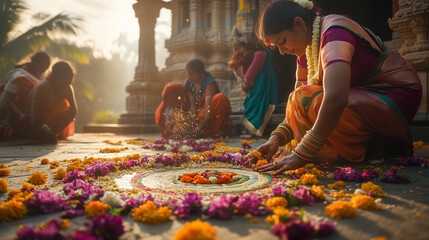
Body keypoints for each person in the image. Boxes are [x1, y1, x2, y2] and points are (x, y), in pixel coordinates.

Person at [254, 0, 422, 174]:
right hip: (362, 98)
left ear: (299, 23)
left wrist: (302, 153)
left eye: (282, 41)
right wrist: (276, 137)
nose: (282, 51)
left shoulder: (334, 32)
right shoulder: (306, 49)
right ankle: (361, 147)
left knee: (306, 97)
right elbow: (296, 105)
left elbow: (335, 97)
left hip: (395, 95)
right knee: (299, 98)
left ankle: (370, 147)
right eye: (277, 46)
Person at [155, 59, 232, 138]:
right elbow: (192, 106)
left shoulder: (209, 83)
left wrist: (199, 128)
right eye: (187, 74)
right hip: (196, 114)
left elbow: (207, 111)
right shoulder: (189, 83)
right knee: (177, 115)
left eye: (191, 74)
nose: (188, 77)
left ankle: (212, 131)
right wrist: (192, 122)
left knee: (220, 98)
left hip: (208, 114)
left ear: (201, 73)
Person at [229, 29, 281, 137]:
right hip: (257, 85)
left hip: (263, 86)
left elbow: (247, 82)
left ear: (245, 46)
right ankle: (248, 128)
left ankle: (252, 129)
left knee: (252, 100)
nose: (236, 52)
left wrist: (242, 79)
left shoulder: (259, 54)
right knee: (250, 100)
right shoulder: (255, 54)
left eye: (238, 48)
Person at [0, 51, 51, 139]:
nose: (44, 71)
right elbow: (7, 100)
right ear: (36, 62)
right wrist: (21, 116)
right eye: (43, 67)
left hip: (30, 116)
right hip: (15, 117)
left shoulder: (36, 77)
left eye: (46, 68)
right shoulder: (20, 76)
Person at [29, 61, 77, 143]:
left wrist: (54, 131)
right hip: (32, 126)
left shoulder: (67, 87)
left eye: (69, 82)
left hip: (53, 129)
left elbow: (73, 111)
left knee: (63, 104)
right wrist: (47, 132)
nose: (67, 85)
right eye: (65, 82)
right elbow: (35, 119)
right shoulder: (42, 88)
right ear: (54, 78)